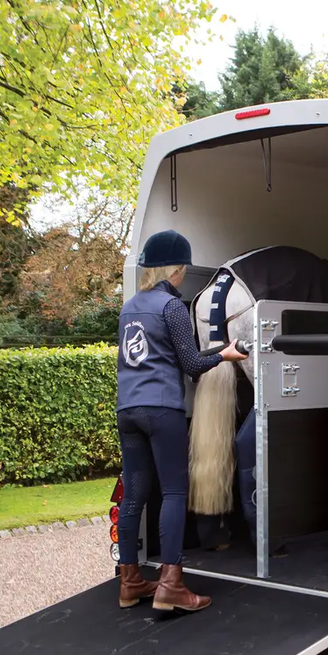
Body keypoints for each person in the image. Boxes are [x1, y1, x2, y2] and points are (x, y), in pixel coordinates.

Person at [115, 229, 247, 612]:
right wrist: (225, 355)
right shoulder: (171, 306)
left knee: (134, 495)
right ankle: (171, 584)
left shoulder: (130, 308)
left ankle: (130, 581)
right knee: (174, 492)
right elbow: (191, 363)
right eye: (183, 268)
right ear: (175, 270)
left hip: (128, 410)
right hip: (161, 409)